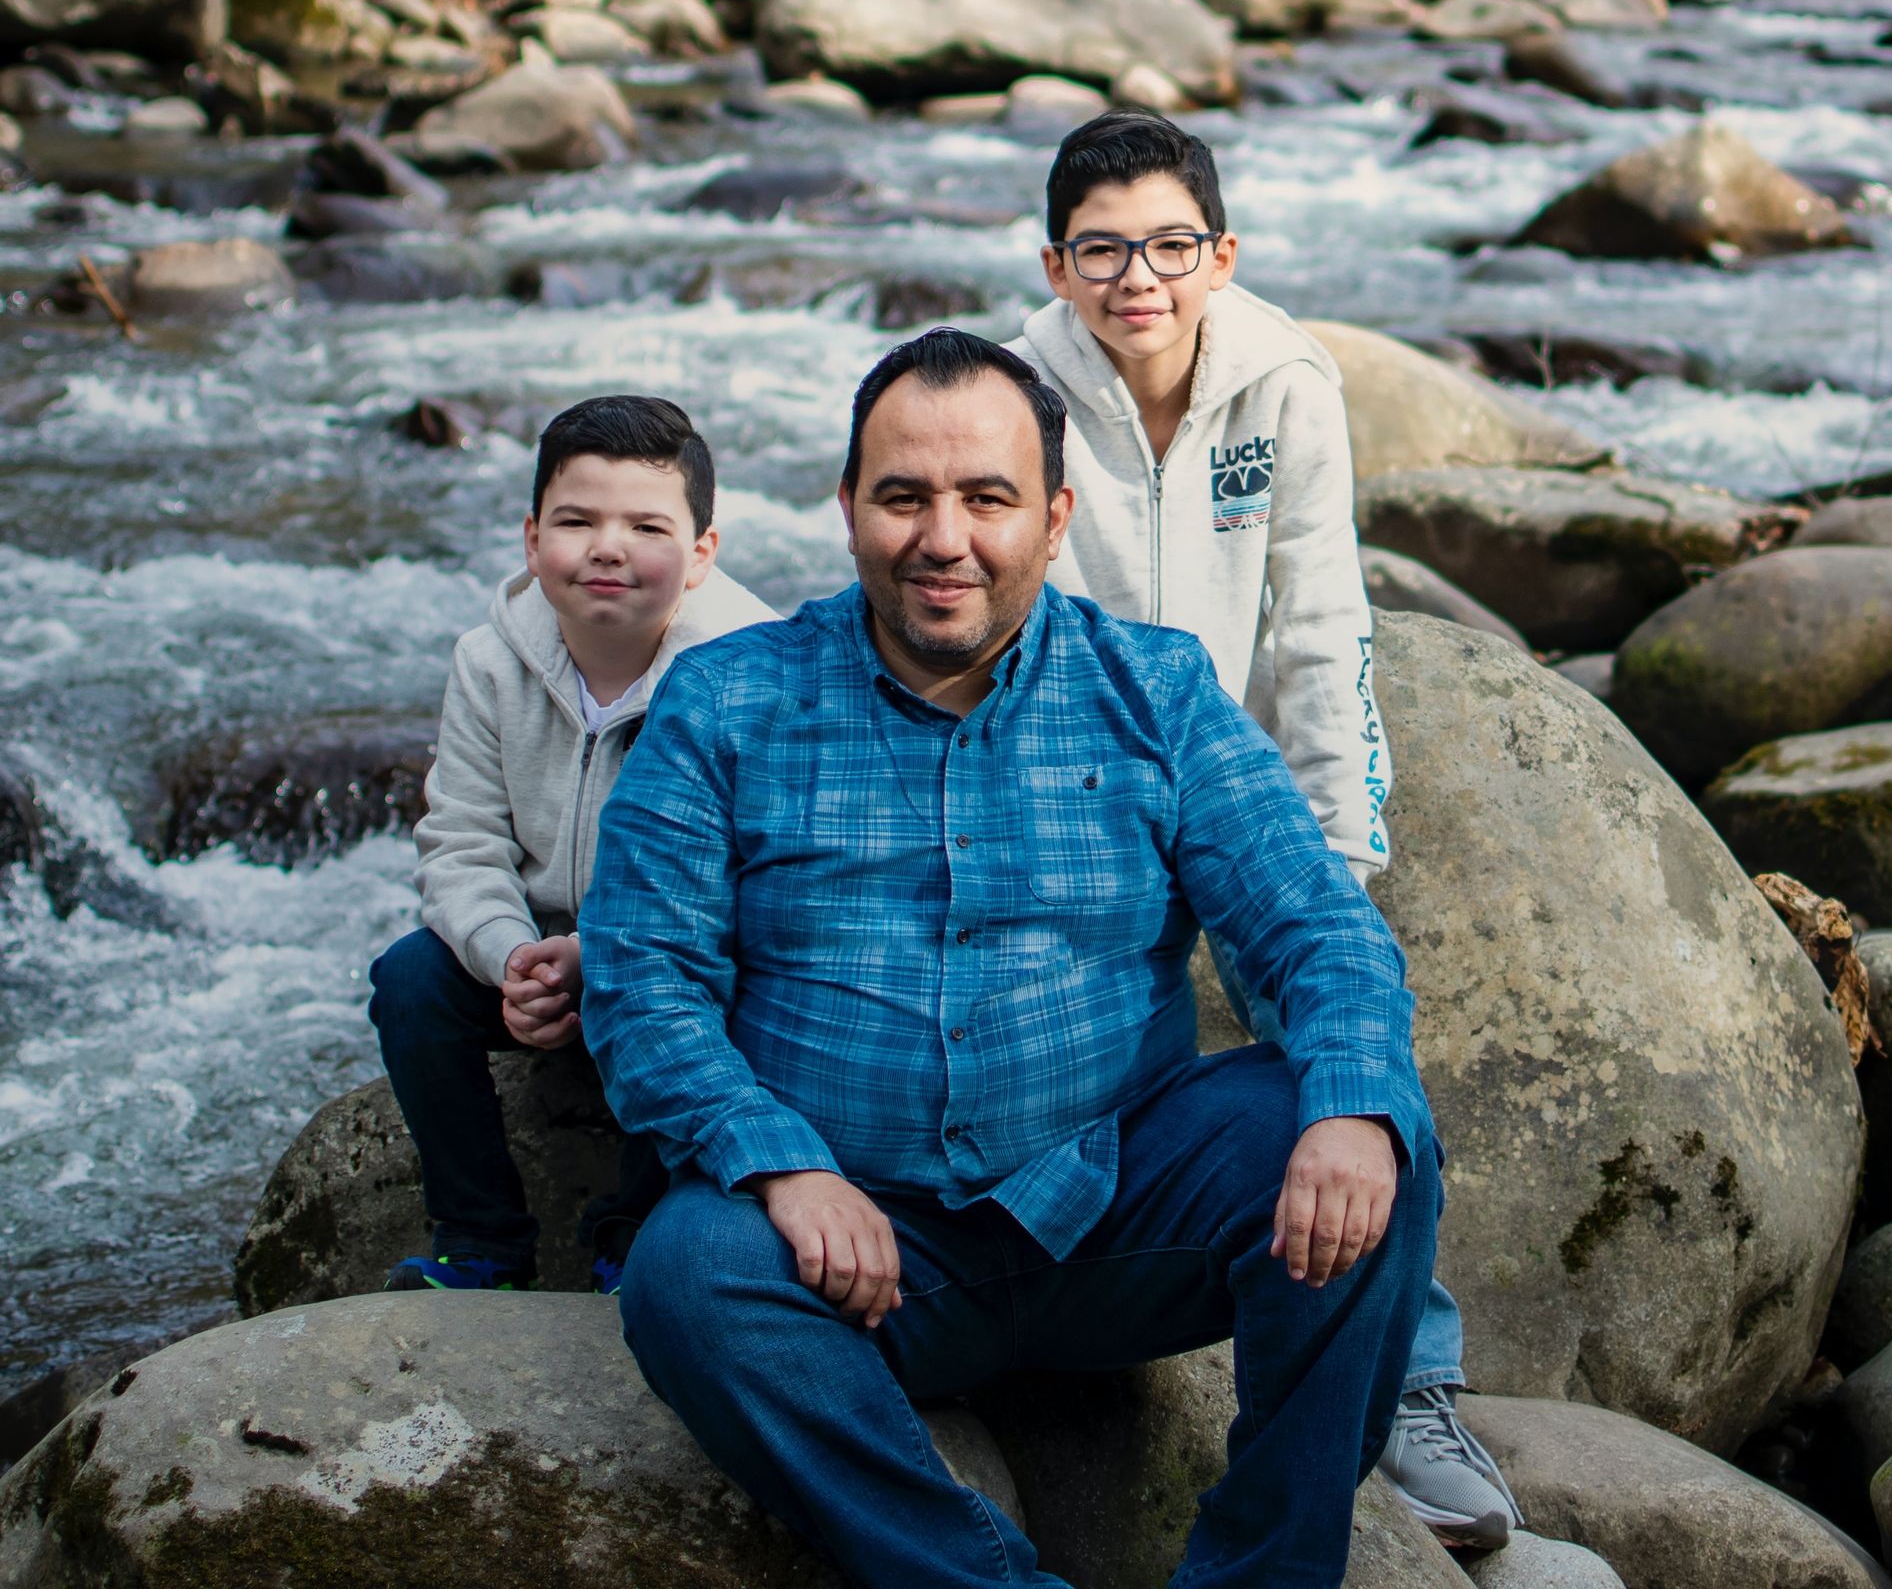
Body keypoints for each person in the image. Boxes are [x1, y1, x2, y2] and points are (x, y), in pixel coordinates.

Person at [580, 330, 1441, 1589]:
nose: (946, 538)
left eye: (988, 498)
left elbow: (1314, 926)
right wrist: (776, 1166)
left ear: (1054, 515)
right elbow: (641, 983)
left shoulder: (1154, 689)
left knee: (1373, 1137)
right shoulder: (724, 702)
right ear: (847, 510)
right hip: (854, 1251)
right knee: (688, 1271)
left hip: (1122, 1211)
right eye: (905, 497)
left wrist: (1357, 1099)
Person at [1012, 107, 1518, 1547]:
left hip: (1234, 769)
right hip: (1082, 776)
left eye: (1171, 246)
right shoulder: (1012, 385)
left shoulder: (1285, 381)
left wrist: (1339, 848)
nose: (1139, 281)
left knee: (1346, 1036)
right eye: (1103, 251)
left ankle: (1411, 1383)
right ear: (1057, 265)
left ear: (1219, 254)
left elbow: (1322, 622)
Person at [369, 393, 777, 1292]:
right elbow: (461, 840)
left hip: (671, 958)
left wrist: (602, 954)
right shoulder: (489, 661)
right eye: (576, 521)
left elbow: (745, 878)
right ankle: (481, 1241)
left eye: (646, 526)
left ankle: (630, 1238)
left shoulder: (746, 673)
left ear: (702, 554)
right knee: (408, 980)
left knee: (714, 981)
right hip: (534, 956)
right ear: (530, 539)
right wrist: (510, 957)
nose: (607, 547)